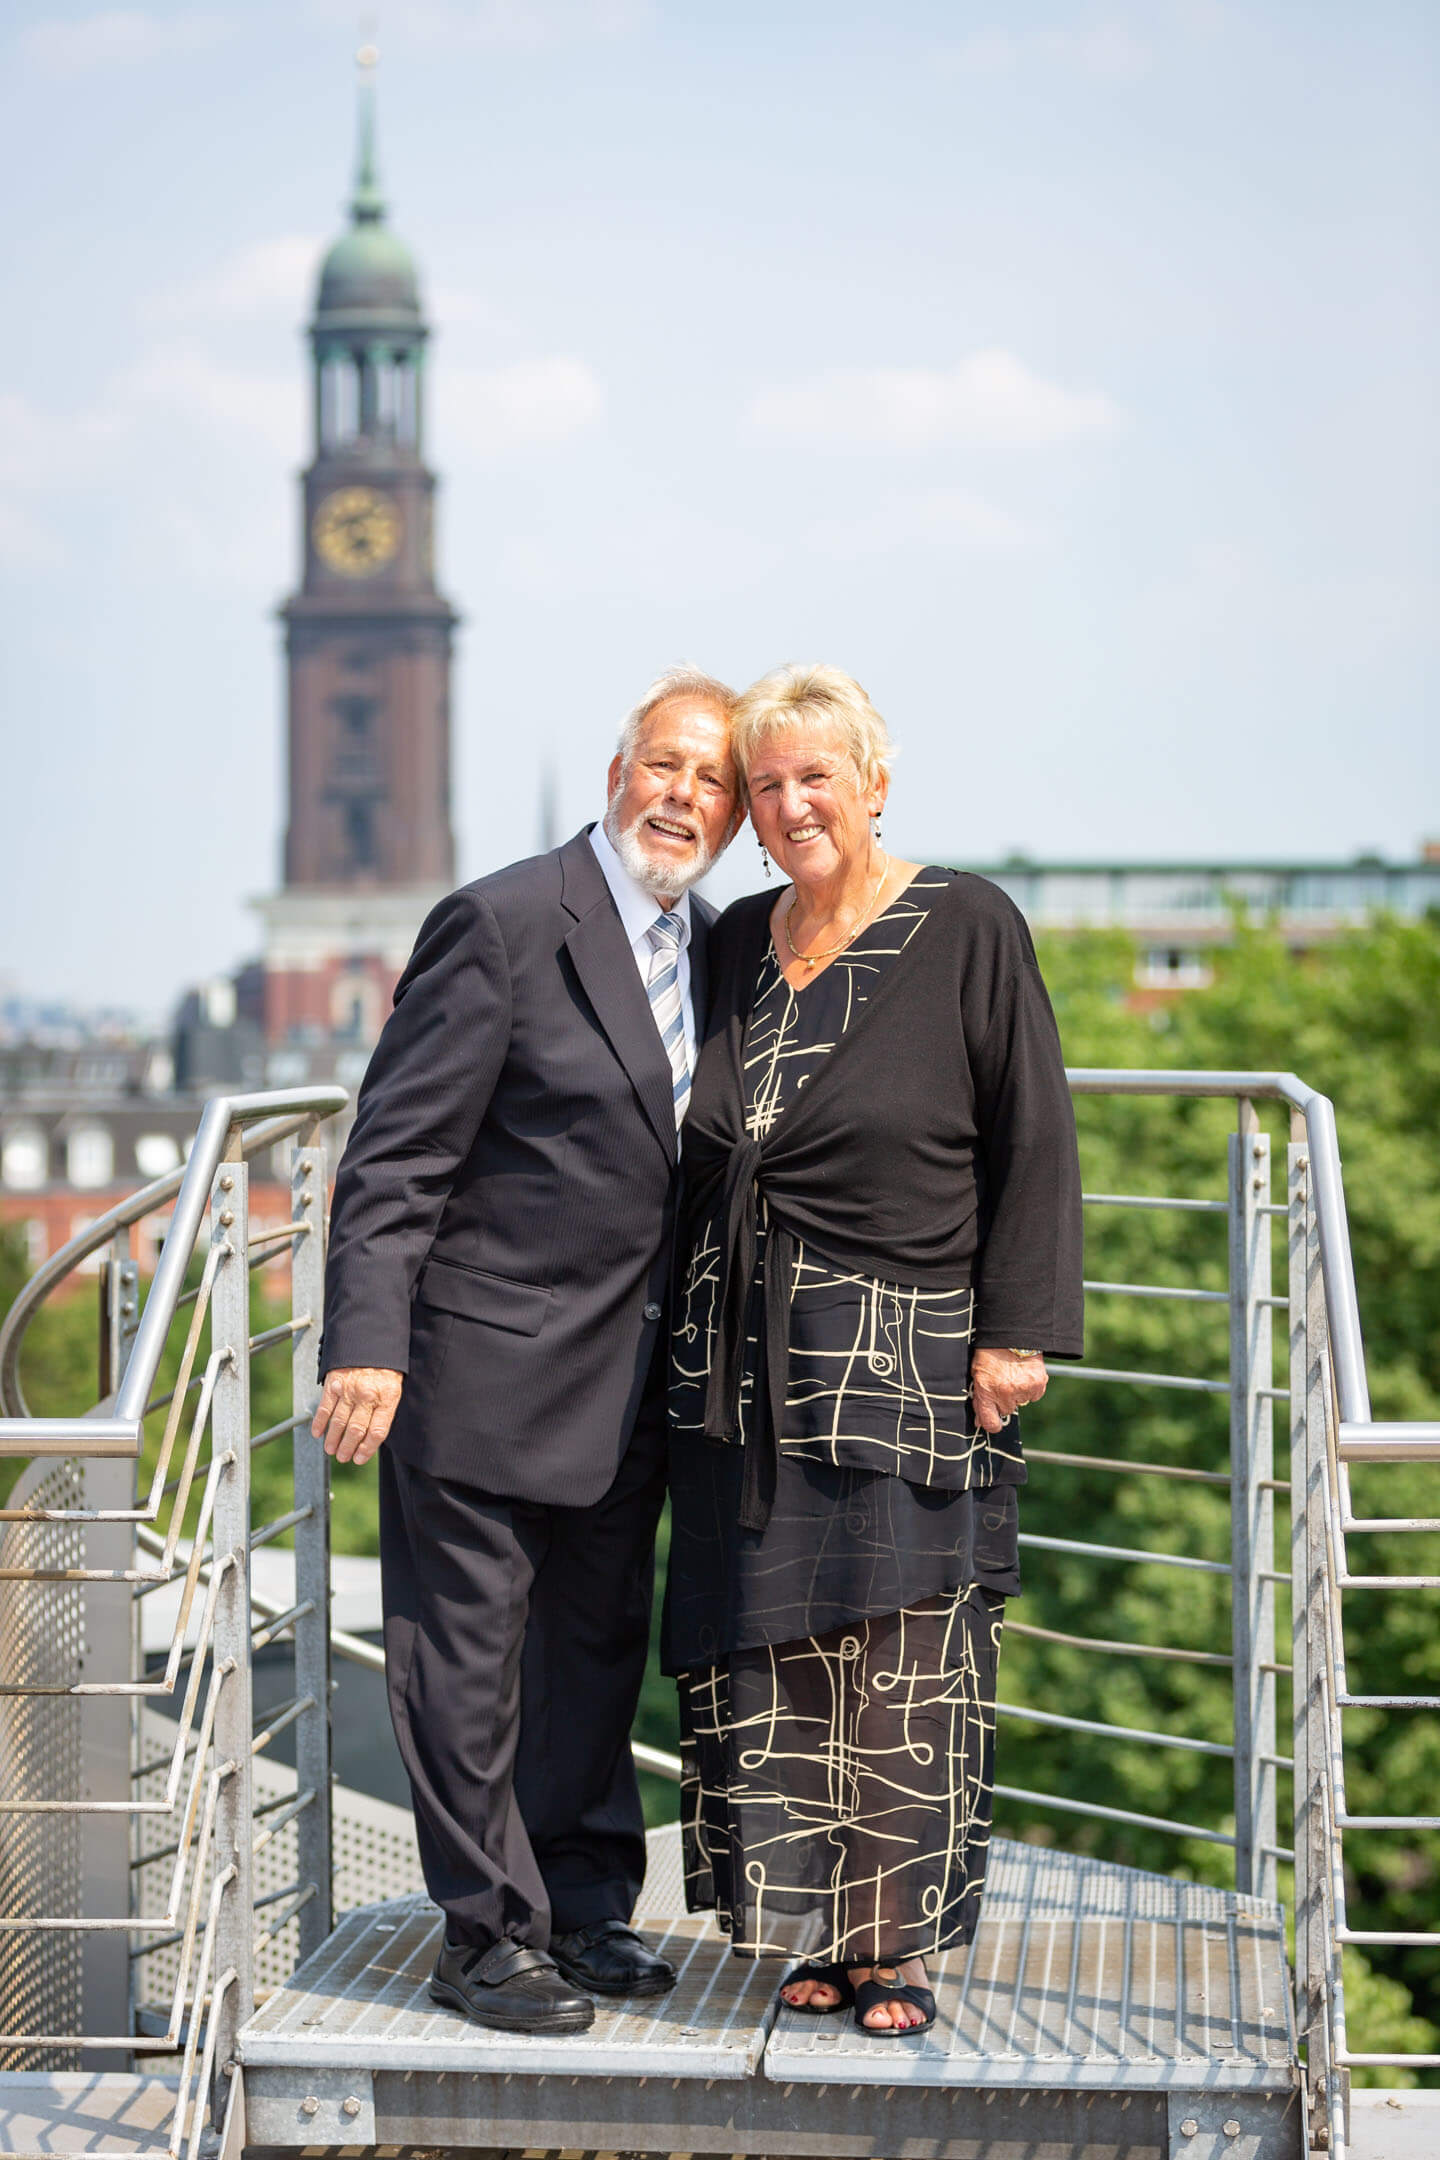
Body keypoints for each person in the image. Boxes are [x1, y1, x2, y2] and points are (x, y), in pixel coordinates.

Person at [312, 667, 742, 2035]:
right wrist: (366, 1344)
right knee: (467, 1664)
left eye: (712, 782)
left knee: (594, 1652)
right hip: (479, 1366)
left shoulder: (712, 946)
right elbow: (396, 1157)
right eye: (665, 766)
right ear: (621, 774)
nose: (684, 796)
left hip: (629, 1384)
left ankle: (585, 1909)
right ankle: (486, 1939)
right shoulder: (502, 923)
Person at [666, 662, 1083, 2037]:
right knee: (768, 1650)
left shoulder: (965, 923)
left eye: (814, 778)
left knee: (903, 1654)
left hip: (907, 1347)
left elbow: (1034, 1135)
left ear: (875, 783)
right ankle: (806, 1928)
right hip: (741, 1358)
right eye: (767, 783)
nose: (790, 805)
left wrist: (1018, 1332)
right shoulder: (733, 940)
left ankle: (889, 1948)